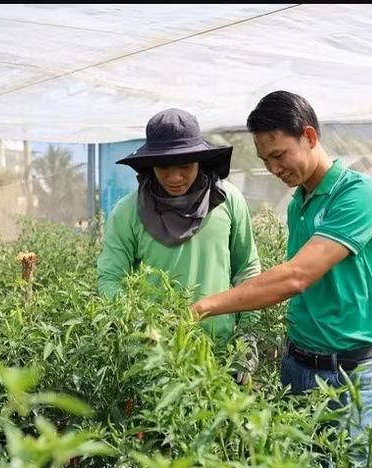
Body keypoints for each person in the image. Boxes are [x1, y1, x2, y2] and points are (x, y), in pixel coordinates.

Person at [191, 91, 372, 468]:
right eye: (266, 160)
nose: (273, 168)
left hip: (352, 373)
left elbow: (296, 276)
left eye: (279, 154)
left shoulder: (358, 194)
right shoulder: (301, 200)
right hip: (299, 365)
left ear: (310, 137)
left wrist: (205, 306)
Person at [97, 108, 261, 384]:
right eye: (164, 168)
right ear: (150, 166)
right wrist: (143, 327)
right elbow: (110, 279)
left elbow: (247, 270)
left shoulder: (227, 200)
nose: (174, 178)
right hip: (158, 358)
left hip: (222, 355)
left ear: (200, 160)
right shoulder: (127, 211)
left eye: (184, 166)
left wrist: (246, 340)